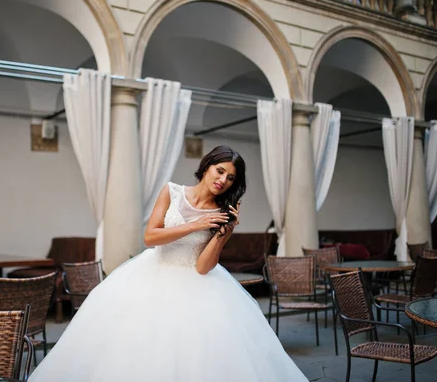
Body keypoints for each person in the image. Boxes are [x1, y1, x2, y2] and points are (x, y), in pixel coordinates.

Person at [29, 145, 308, 381]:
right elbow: (150, 237)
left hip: (197, 285)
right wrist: (194, 224)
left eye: (231, 178)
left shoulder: (222, 213)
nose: (223, 180)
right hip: (151, 275)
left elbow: (202, 267)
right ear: (207, 165)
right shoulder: (172, 192)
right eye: (220, 171)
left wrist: (224, 235)